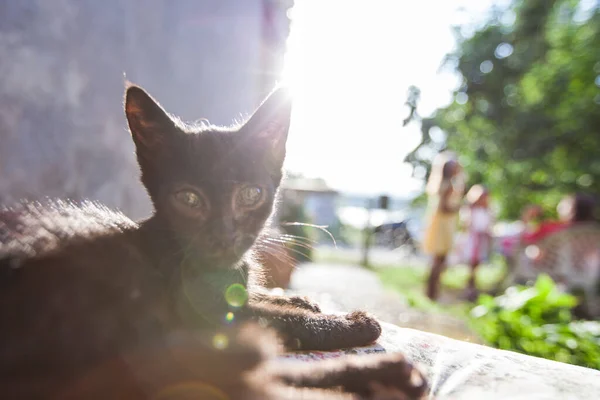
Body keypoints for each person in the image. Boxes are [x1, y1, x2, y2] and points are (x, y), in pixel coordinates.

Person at [423, 151, 465, 300]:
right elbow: (444, 208)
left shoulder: (444, 184)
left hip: (441, 224)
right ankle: (432, 293)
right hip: (443, 225)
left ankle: (432, 292)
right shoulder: (448, 186)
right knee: (439, 260)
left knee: (438, 260)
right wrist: (458, 208)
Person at [461, 185, 493, 301]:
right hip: (473, 241)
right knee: (471, 266)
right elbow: (467, 225)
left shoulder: (487, 211)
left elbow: (488, 226)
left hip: (481, 242)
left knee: (476, 266)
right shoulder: (471, 211)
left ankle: (472, 289)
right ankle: (468, 288)